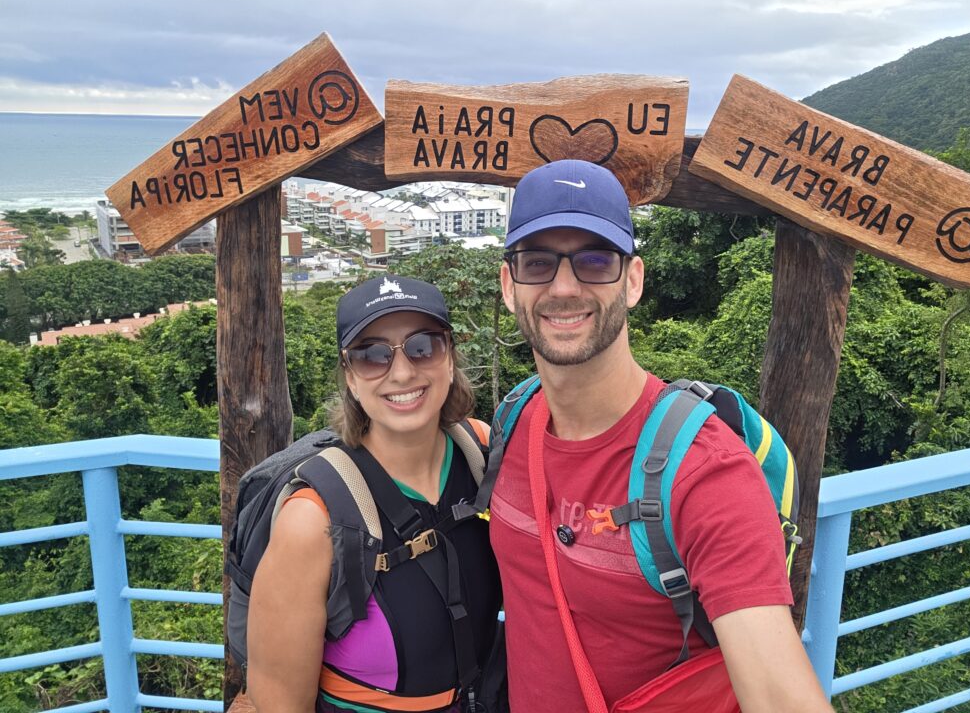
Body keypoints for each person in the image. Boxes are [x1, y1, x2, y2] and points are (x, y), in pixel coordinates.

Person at [490, 160, 833, 712]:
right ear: (510, 286)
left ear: (633, 280)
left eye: (594, 261)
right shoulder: (513, 422)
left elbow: (778, 695)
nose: (563, 287)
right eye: (537, 263)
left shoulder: (707, 475)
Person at [247, 275, 501, 713]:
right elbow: (278, 701)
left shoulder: (480, 454)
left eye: (423, 346)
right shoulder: (314, 519)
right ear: (349, 375)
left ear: (449, 356)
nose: (402, 372)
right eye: (372, 355)